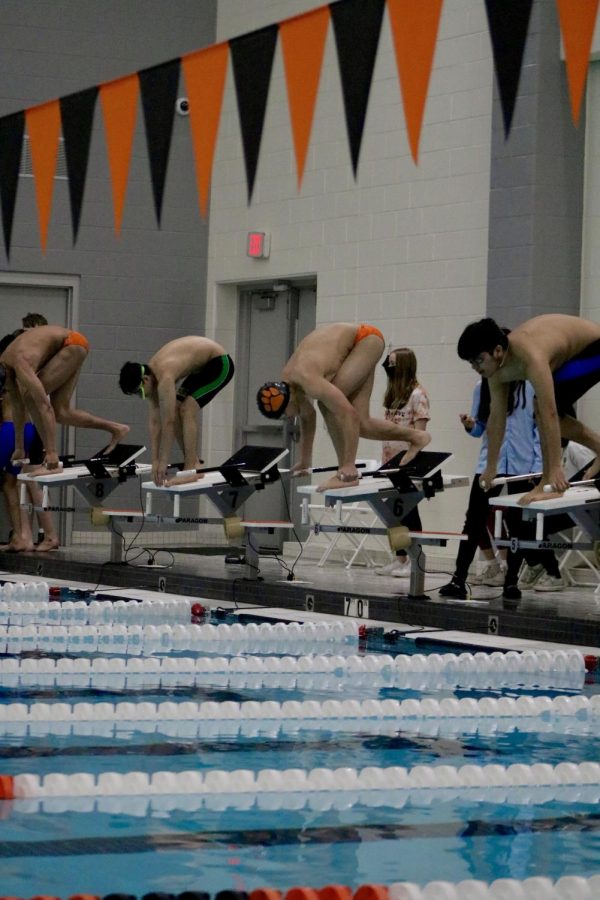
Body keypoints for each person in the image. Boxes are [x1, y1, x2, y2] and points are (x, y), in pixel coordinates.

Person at [256, 322, 431, 492]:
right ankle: (417, 437)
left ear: (287, 402)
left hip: (364, 340)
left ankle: (346, 472)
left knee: (330, 407)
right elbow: (308, 416)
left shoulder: (307, 379)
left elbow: (347, 414)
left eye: (284, 415)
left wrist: (349, 466)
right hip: (363, 343)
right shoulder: (291, 382)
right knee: (363, 424)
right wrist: (304, 460)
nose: (287, 419)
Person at [439, 376, 563, 600]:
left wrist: (537, 469)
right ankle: (458, 579)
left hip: (523, 465)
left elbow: (539, 429)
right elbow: (479, 428)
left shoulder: (531, 386)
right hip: (489, 465)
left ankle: (511, 582)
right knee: (473, 521)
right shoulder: (483, 386)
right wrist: (470, 425)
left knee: (518, 524)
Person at [457, 315, 600, 505]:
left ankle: (548, 481)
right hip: (568, 351)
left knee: (542, 409)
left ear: (498, 351)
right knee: (539, 409)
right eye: (471, 362)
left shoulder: (531, 357)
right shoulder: (495, 372)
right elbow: (496, 419)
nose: (475, 367)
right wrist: (491, 466)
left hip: (594, 348)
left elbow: (549, 412)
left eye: (479, 360)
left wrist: (556, 469)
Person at [0, 325, 129, 472]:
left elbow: (44, 406)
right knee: (61, 413)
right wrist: (19, 448)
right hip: (74, 345)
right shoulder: (5, 366)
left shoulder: (21, 363)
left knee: (31, 398)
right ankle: (117, 429)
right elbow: (17, 407)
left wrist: (52, 454)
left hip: (71, 344)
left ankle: (52, 460)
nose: (7, 390)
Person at [119, 336, 234, 486]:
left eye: (139, 392)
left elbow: (169, 422)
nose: (142, 396)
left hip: (220, 363)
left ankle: (190, 469)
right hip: (202, 367)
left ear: (145, 379)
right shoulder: (151, 376)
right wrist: (155, 460)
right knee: (178, 406)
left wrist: (163, 461)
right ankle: (194, 462)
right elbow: (155, 423)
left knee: (187, 409)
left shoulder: (164, 377)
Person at [0, 332, 59, 552]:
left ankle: (23, 536)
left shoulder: (7, 373)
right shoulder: (28, 373)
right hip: (31, 431)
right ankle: (34, 535)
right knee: (28, 483)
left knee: (12, 484)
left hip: (11, 431)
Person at [377, 347, 430, 577]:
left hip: (407, 463)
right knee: (392, 513)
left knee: (409, 512)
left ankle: (413, 558)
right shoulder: (393, 396)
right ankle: (399, 557)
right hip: (390, 462)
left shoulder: (418, 395)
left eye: (393, 364)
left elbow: (420, 434)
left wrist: (410, 460)